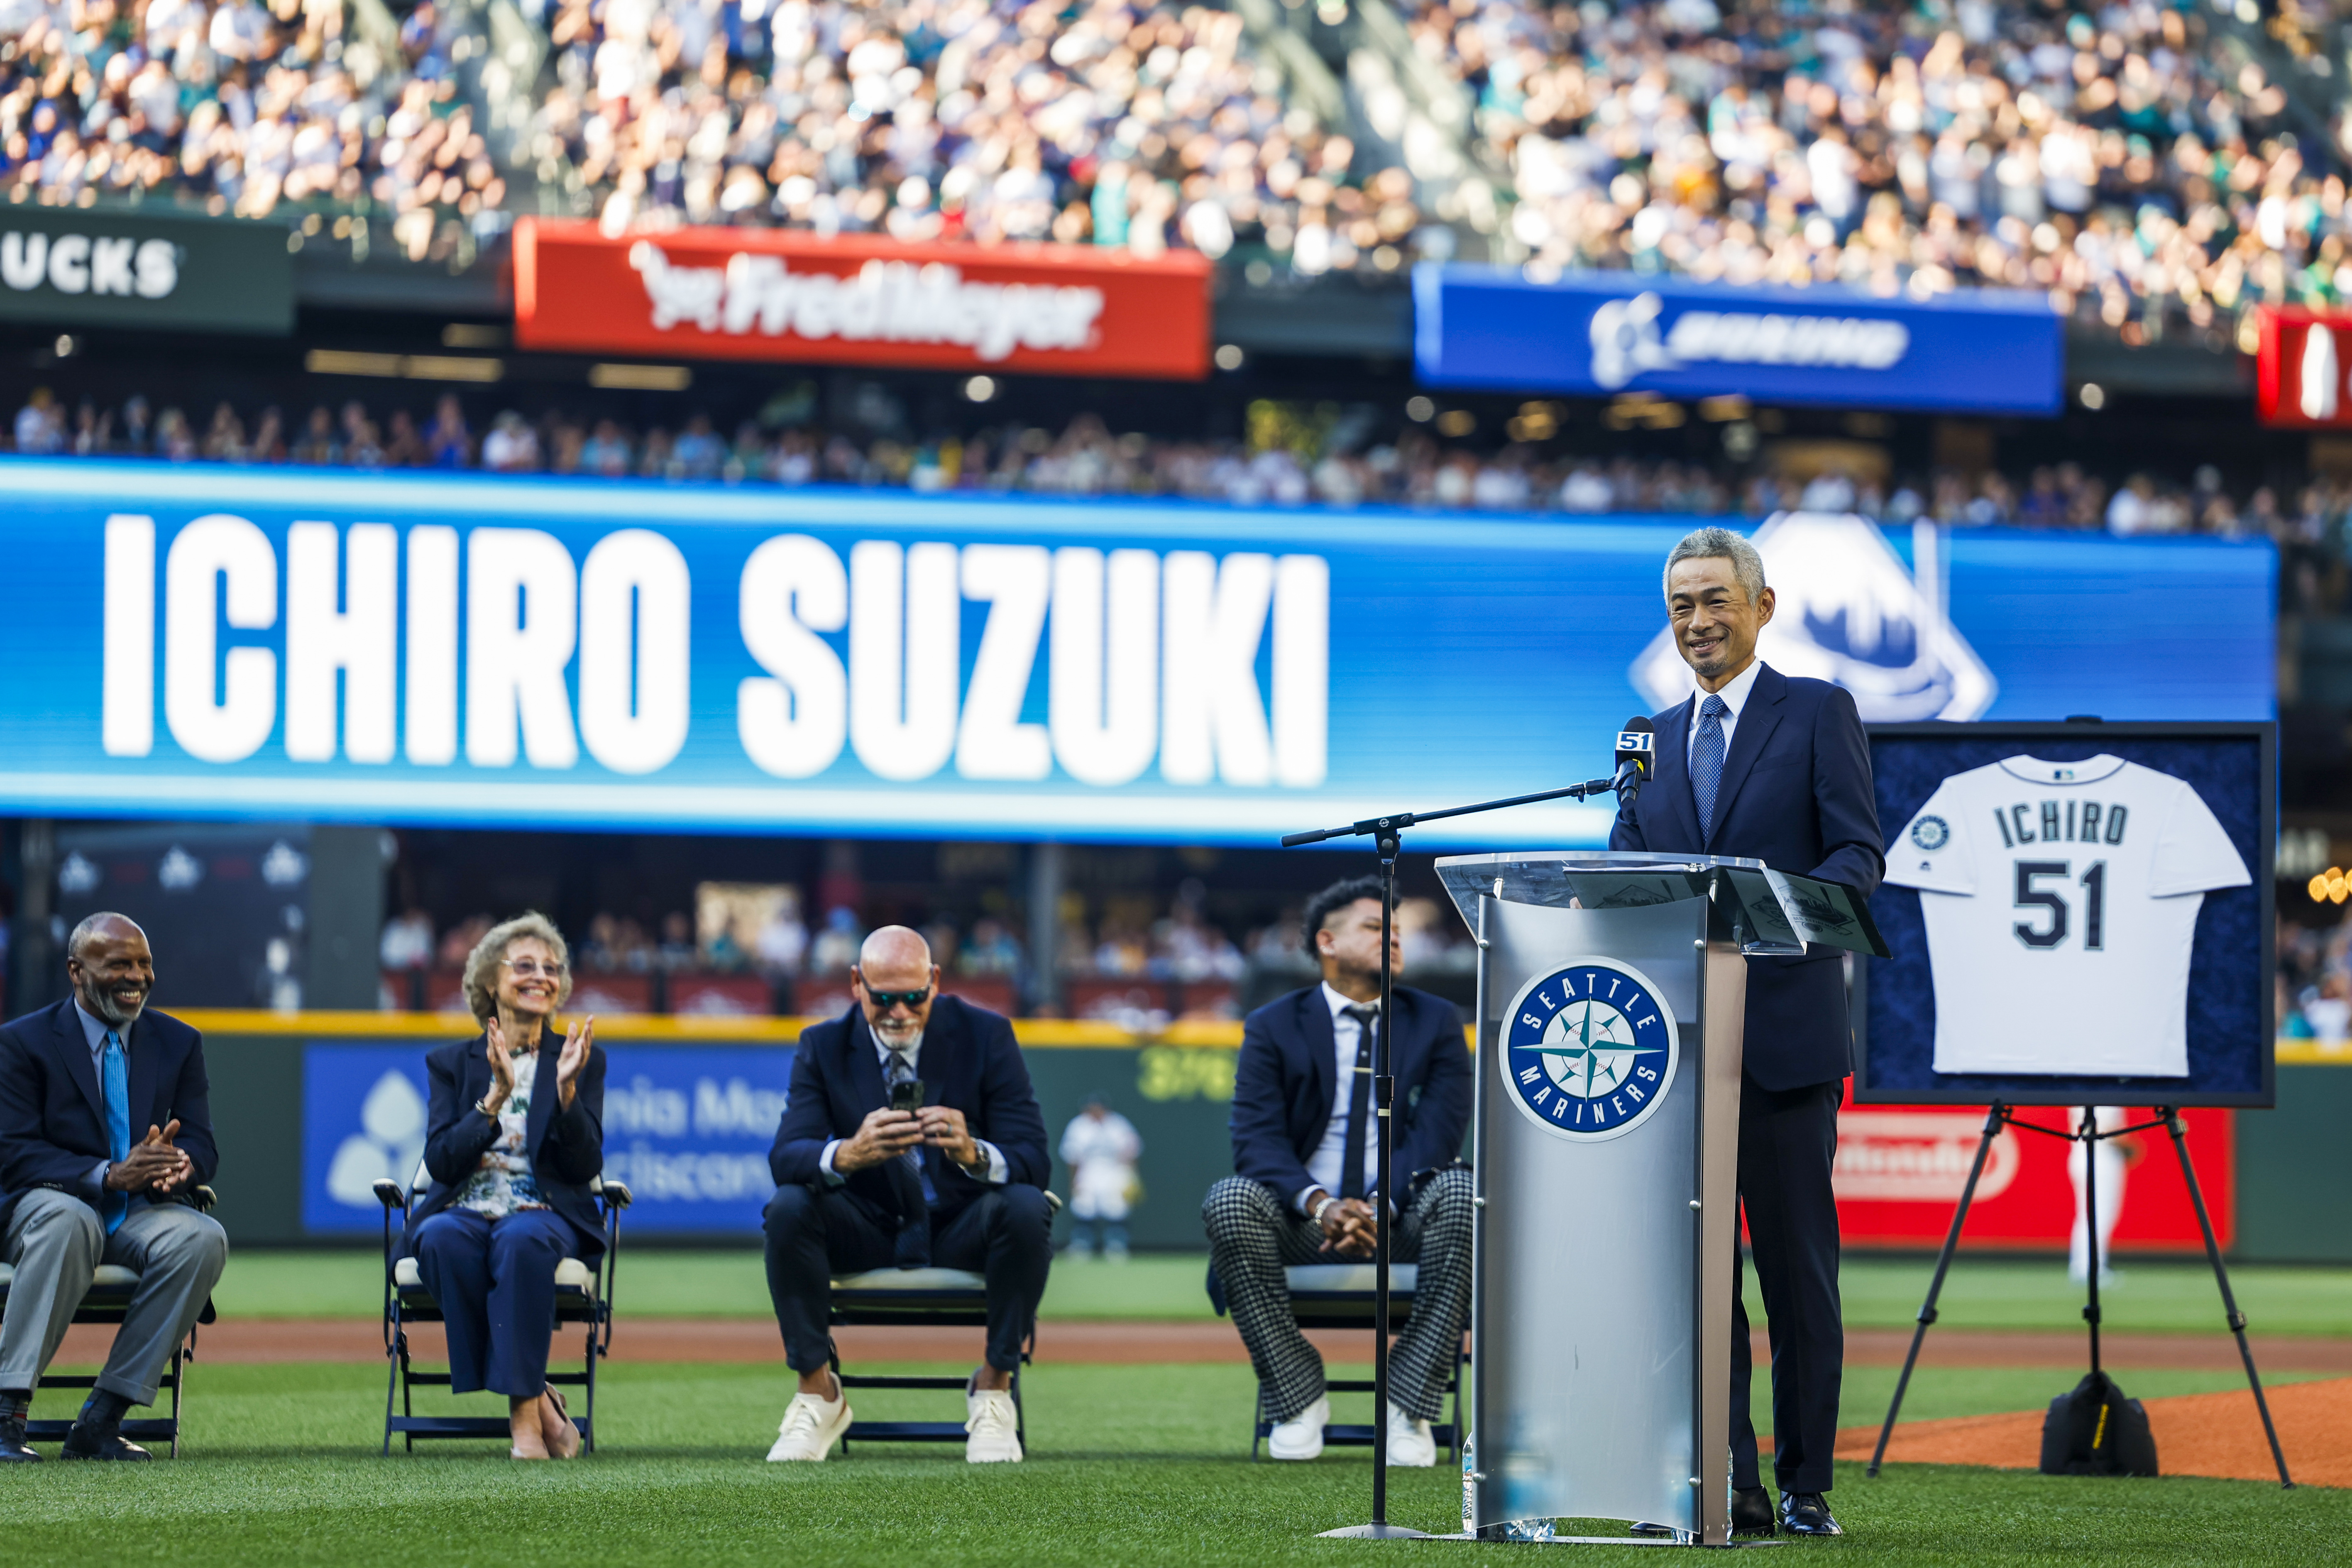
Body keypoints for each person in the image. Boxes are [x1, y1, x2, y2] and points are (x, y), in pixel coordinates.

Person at [1610, 526, 1883, 1538]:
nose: (1696, 621)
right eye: (1681, 604)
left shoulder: (1816, 711)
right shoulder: (1645, 735)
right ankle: (1721, 1484)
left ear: (1762, 606)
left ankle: (1804, 1484)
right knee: (1691, 1284)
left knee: (1795, 1280)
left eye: (1715, 599)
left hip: (1782, 1043)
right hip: (1674, 1053)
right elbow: (1624, 870)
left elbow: (1858, 850)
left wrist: (1787, 907)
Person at [1203, 876, 1473, 1467]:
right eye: (1376, 928)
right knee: (1229, 1197)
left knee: (1461, 1188)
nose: (1393, 940)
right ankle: (1298, 1396)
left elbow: (1437, 1138)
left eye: (1398, 931)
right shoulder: (1272, 1024)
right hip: (1306, 1226)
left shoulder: (1435, 1021)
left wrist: (1379, 1208)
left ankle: (1409, 1403)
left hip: (1397, 1223)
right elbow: (1256, 1142)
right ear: (1327, 940)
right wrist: (1324, 1205)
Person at [761, 926, 1050, 1465]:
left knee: (1028, 1206)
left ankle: (993, 1387)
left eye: (914, 997)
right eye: (883, 996)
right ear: (856, 983)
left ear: (935, 982)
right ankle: (817, 1392)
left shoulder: (986, 1035)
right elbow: (786, 1157)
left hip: (961, 1226)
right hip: (867, 1228)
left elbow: (1033, 1157)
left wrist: (973, 1152)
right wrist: (847, 1153)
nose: (899, 1011)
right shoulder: (822, 1045)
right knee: (788, 1208)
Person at [0, 912, 227, 1461]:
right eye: (119, 963)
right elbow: (13, 1149)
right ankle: (7, 1415)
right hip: (44, 1206)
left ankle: (102, 1419)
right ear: (77, 972)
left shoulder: (178, 1042)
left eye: (144, 963)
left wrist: (179, 1165)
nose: (137, 976)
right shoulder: (21, 1042)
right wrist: (104, 1174)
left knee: (203, 1237)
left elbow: (202, 1143)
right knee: (71, 1219)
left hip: (136, 1212)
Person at [402, 913, 604, 1461]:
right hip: (465, 1202)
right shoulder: (451, 1063)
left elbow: (585, 1161)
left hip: (544, 1208)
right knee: (439, 1238)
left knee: (519, 1241)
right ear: (491, 982)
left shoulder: (580, 1057)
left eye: (552, 968)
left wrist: (565, 1095)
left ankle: (525, 1427)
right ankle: (540, 1397)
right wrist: (492, 1098)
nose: (541, 976)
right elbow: (441, 1162)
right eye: (525, 966)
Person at [1058, 1096, 1141, 1258]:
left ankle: (1116, 1245)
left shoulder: (1118, 1124)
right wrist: (1074, 1180)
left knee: (1116, 1207)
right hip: (1088, 1171)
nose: (1096, 1111)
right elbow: (1072, 1158)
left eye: (1099, 1108)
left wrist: (1132, 1177)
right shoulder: (1079, 1126)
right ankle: (1082, 1245)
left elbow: (1131, 1151)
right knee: (1084, 1206)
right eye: (1092, 1108)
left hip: (1115, 1171)